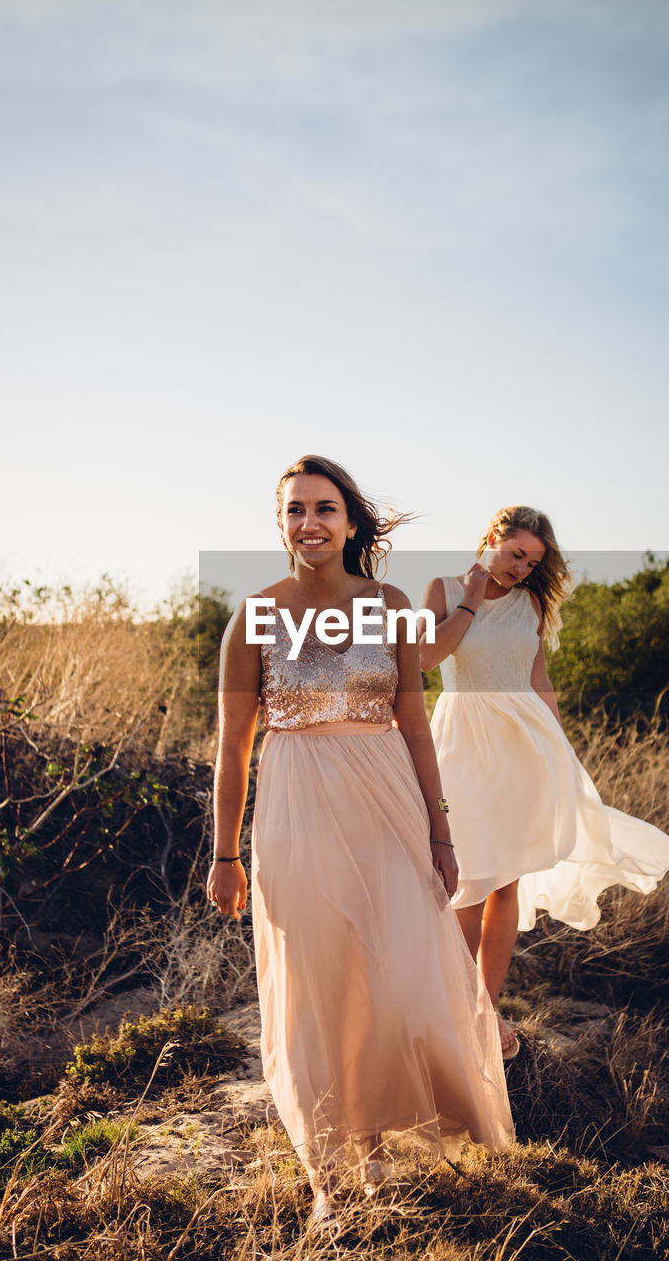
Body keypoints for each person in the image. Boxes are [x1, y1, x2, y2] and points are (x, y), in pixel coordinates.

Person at [208, 456, 513, 1227]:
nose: (309, 523)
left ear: (350, 522)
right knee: (318, 986)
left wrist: (441, 837)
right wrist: (224, 853)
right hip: (296, 808)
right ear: (280, 524)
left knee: (392, 979)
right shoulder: (256, 616)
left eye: (324, 508)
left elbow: (414, 726)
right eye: (294, 510)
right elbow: (232, 747)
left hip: (389, 808)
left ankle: (372, 1147)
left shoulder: (392, 605)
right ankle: (328, 1177)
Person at [420, 506, 669, 1060]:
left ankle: (484, 1010)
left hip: (525, 746)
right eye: (517, 554)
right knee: (465, 879)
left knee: (506, 883)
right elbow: (424, 657)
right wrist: (471, 599)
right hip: (464, 742)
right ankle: (453, 1003)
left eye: (534, 561)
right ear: (492, 538)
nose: (522, 568)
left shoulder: (530, 603)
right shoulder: (443, 588)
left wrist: (560, 753)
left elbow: (538, 679)